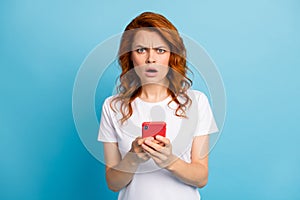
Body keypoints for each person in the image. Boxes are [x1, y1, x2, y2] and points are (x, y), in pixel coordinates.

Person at [98, 12, 218, 200]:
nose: (150, 59)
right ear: (129, 56)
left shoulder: (196, 102)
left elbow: (201, 177)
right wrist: (132, 158)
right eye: (141, 50)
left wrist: (170, 161)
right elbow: (113, 183)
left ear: (172, 55)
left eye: (160, 50)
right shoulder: (113, 107)